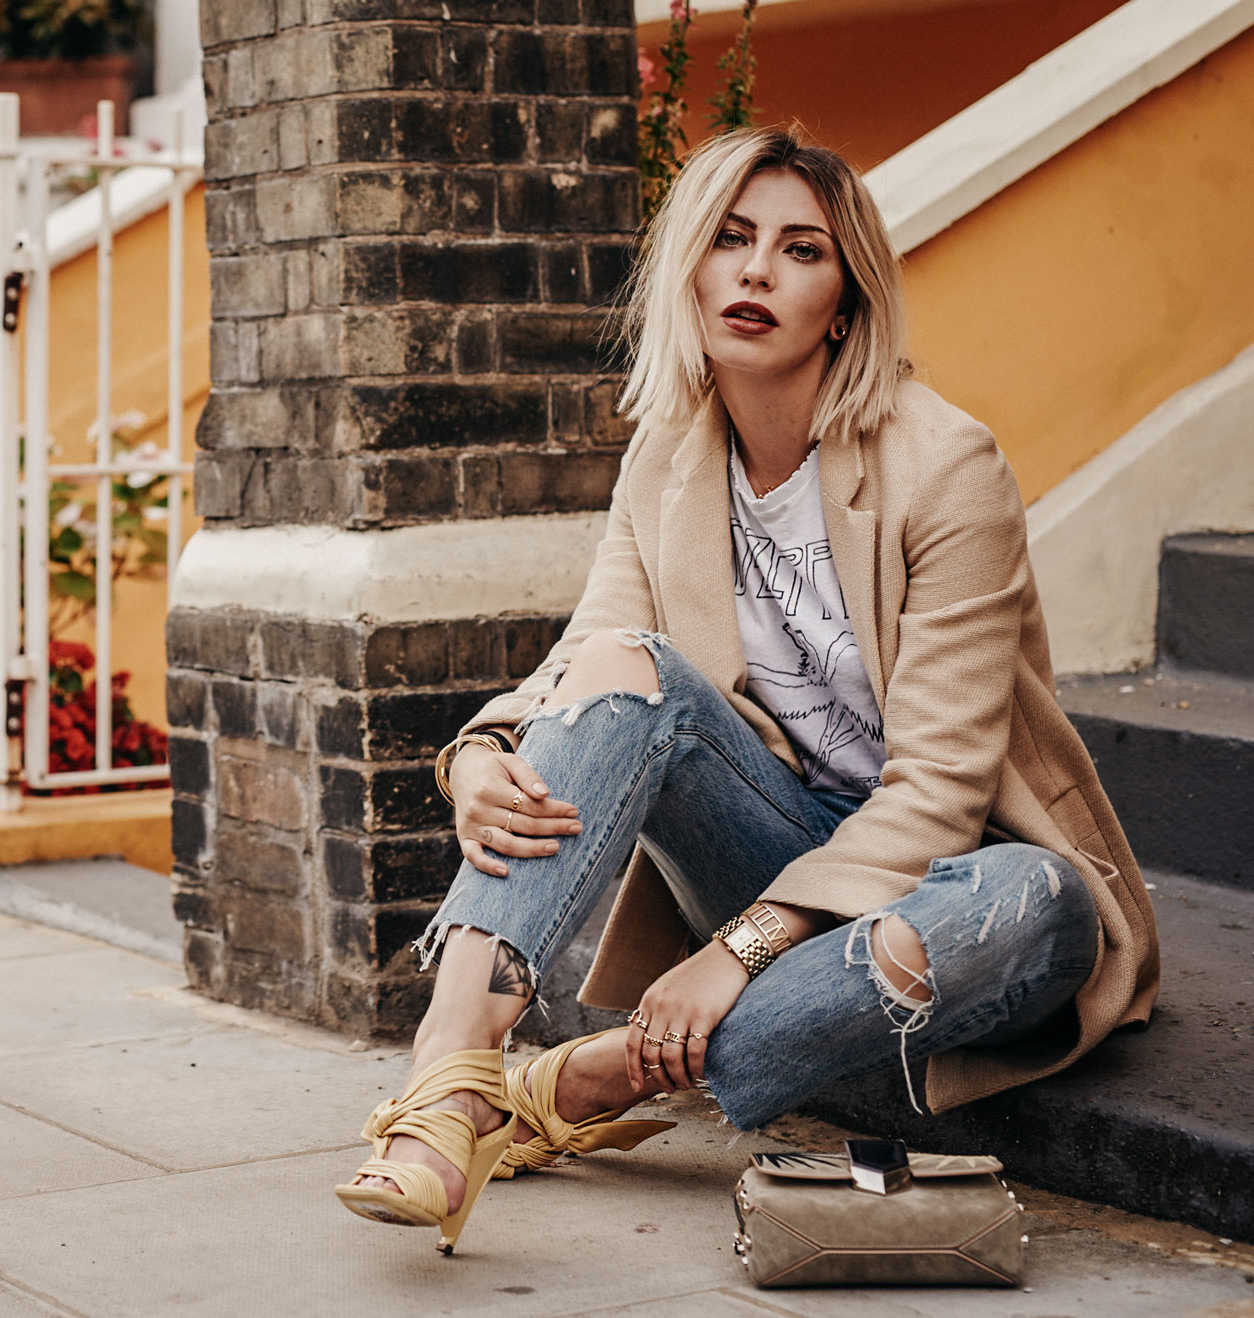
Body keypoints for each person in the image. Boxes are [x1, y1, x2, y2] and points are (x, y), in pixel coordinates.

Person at [332, 125, 1160, 1255]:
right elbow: (587, 659)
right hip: (773, 837)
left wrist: (734, 952)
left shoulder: (945, 467)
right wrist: (477, 752)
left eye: (799, 249)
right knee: (631, 668)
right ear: (691, 269)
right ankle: (448, 1077)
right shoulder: (668, 456)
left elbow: (940, 793)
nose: (756, 270)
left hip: (942, 882)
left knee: (1021, 897)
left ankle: (575, 1082)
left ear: (846, 299)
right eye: (728, 239)